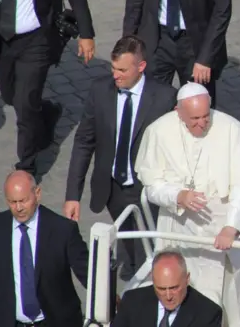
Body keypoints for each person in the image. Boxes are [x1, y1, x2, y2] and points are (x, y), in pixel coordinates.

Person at [135, 82, 240, 305]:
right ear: (178, 112)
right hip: (178, 222)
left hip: (223, 220)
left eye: (206, 116)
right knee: (177, 283)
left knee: (232, 293)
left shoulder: (231, 128)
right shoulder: (158, 131)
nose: (203, 123)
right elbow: (152, 188)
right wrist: (178, 195)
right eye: (195, 119)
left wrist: (231, 226)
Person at [64, 36, 177, 279]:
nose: (116, 75)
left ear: (141, 67)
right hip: (112, 190)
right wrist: (73, 195)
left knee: (148, 256)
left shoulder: (165, 98)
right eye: (113, 68)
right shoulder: (100, 90)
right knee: (129, 248)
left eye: (123, 70)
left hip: (146, 192)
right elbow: (84, 141)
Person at [0, 0, 95, 177]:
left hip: (37, 39)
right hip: (0, 39)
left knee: (24, 103)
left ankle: (27, 167)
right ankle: (46, 114)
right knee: (11, 96)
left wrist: (87, 34)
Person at [0, 171, 89, 327]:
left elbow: (88, 273)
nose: (18, 208)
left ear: (37, 193)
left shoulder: (62, 230)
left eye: (23, 201)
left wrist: (110, 300)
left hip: (54, 321)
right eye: (12, 202)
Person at [122, 0, 232, 107]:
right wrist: (129, 44)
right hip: (156, 39)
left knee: (197, 108)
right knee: (150, 106)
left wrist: (206, 58)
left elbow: (222, 8)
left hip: (194, 45)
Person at [112, 250, 222, 327]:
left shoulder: (208, 314)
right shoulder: (132, 301)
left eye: (174, 288)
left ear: (187, 279)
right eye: (161, 289)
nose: (168, 296)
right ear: (153, 281)